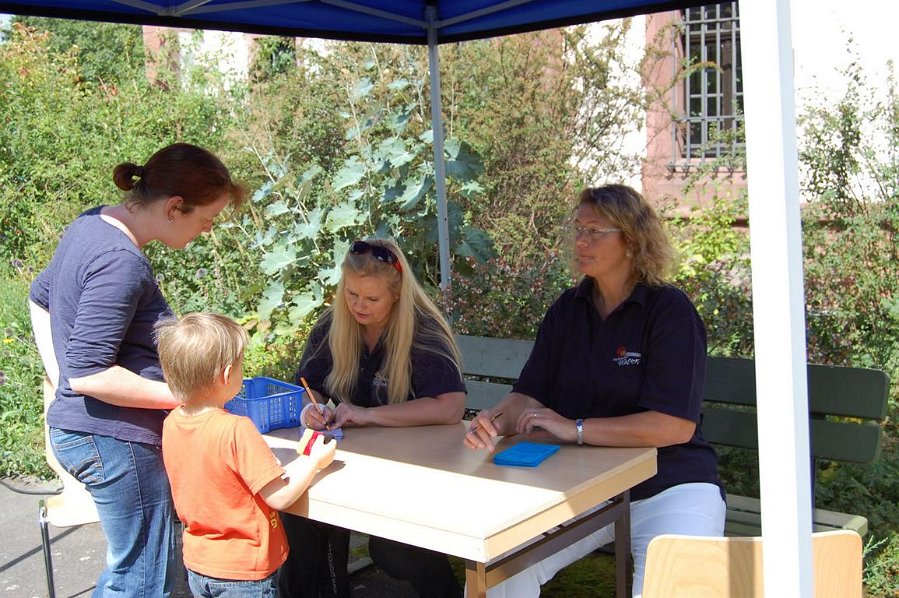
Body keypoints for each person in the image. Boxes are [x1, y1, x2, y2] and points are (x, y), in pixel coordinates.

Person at [464, 184, 725, 597]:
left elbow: (674, 426)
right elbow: (529, 395)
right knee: (499, 572)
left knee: (675, 587)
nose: (580, 241)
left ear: (632, 241)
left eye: (595, 231)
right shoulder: (567, 310)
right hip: (582, 486)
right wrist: (495, 421)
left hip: (671, 485)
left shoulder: (669, 311)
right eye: (578, 229)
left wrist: (577, 429)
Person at [28, 143, 246, 597]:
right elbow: (88, 375)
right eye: (207, 218)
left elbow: (39, 297)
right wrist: (190, 396)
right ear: (174, 207)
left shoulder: (91, 223)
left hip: (92, 432)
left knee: (133, 573)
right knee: (143, 582)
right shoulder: (121, 262)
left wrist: (61, 372)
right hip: (115, 441)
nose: (208, 229)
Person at [279, 238, 466, 598]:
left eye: (371, 299)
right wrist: (311, 408)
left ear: (396, 294)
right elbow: (308, 385)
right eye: (351, 294)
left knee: (394, 549)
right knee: (306, 513)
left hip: (416, 468)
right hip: (351, 461)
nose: (358, 306)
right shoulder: (333, 324)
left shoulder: (423, 330)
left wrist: (368, 415)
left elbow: (450, 406)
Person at [156, 312, 337, 598]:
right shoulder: (236, 429)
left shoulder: (172, 422)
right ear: (227, 374)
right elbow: (279, 497)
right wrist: (313, 462)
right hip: (244, 569)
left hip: (199, 562)